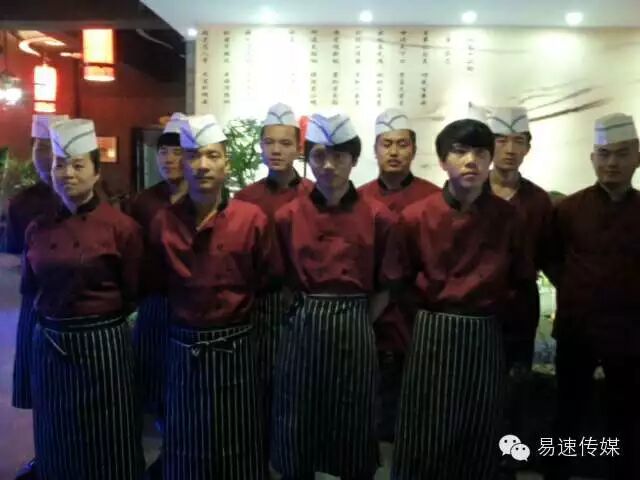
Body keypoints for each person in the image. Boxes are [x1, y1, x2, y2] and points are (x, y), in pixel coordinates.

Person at [392, 118, 535, 480]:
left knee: (480, 436)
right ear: (443, 161)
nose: (471, 160)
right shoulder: (416, 216)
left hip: (485, 335)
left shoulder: (509, 218)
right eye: (460, 152)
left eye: (480, 153)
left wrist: (518, 349)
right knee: (424, 434)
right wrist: (416, 336)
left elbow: (522, 285)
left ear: (489, 160)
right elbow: (399, 285)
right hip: (431, 335)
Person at [271, 111, 406, 480]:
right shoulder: (287, 216)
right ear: (308, 158)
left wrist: (359, 319)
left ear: (354, 159)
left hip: (356, 323)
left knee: (354, 413)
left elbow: (387, 284)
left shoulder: (379, 216)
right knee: (298, 411)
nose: (328, 165)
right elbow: (280, 280)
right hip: (303, 324)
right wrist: (304, 311)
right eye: (319, 156)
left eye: (339, 156)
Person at [148, 114, 282, 479]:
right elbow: (155, 286)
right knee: (185, 443)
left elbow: (269, 281)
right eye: (193, 156)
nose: (202, 165)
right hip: (182, 347)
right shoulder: (163, 222)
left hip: (237, 347)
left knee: (239, 443)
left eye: (212, 155)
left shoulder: (252, 219)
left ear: (227, 163)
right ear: (183, 163)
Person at [21, 118, 144, 479]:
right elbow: (31, 288)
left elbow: (134, 291)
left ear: (96, 172)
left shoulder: (122, 227)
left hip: (104, 346)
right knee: (56, 433)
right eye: (61, 165)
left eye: (78, 165)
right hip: (50, 345)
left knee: (110, 437)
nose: (68, 174)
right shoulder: (38, 228)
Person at [546, 113, 640, 480]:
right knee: (567, 413)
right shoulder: (568, 209)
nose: (611, 162)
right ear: (592, 159)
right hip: (577, 330)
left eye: (621, 153)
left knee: (626, 418)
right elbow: (551, 258)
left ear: (637, 157)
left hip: (630, 335)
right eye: (604, 154)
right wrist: (576, 290)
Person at [234, 102, 313, 470]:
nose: (276, 150)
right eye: (269, 143)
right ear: (261, 147)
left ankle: (297, 467)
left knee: (300, 391)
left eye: (285, 143)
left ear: (299, 148)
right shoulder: (244, 199)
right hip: (259, 306)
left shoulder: (314, 194)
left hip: (303, 305)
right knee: (259, 389)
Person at [358, 108, 439, 444]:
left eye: (402, 144)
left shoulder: (434, 198)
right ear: (375, 150)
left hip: (416, 317)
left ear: (414, 150)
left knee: (416, 411)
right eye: (386, 144)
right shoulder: (358, 198)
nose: (393, 151)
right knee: (368, 411)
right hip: (369, 318)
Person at [482, 106, 553, 449]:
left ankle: (509, 455)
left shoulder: (539, 200)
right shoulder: (470, 190)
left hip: (521, 303)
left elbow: (550, 254)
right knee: (475, 386)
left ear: (528, 147)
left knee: (516, 386)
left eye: (518, 141)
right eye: (501, 140)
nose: (509, 149)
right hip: (476, 304)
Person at [8, 113, 67, 480]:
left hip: (80, 308)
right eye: (39, 147)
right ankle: (45, 457)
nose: (45, 155)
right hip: (36, 306)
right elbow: (17, 257)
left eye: (51, 147)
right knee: (41, 389)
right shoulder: (22, 203)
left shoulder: (86, 194)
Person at [128, 112, 187, 415]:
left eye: (177, 151)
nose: (169, 159)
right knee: (152, 374)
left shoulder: (205, 199)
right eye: (163, 151)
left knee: (186, 379)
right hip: (154, 301)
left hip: (192, 304)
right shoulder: (144, 201)